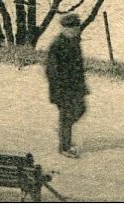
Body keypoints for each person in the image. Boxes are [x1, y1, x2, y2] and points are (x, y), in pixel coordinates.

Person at [45, 13, 88, 158]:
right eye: (72, 29)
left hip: (76, 86)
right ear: (64, 29)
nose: (76, 31)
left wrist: (82, 86)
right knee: (66, 116)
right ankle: (64, 147)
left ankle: (62, 129)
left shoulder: (74, 42)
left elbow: (78, 67)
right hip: (63, 88)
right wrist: (58, 90)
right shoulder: (57, 45)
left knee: (81, 109)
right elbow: (51, 70)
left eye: (77, 28)